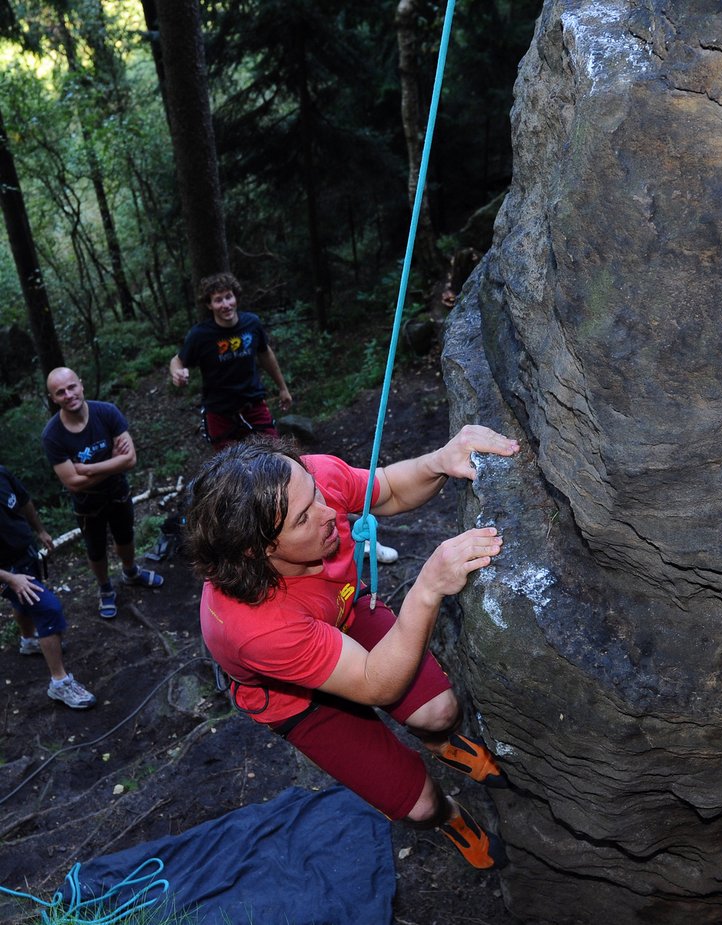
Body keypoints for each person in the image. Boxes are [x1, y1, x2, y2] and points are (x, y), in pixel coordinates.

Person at [184, 425, 520, 869]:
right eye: (304, 518)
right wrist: (427, 588)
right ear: (257, 550)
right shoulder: (254, 626)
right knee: (417, 805)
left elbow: (391, 488)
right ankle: (448, 817)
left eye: (316, 494)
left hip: (340, 611)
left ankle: (439, 741)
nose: (328, 513)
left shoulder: (305, 486)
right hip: (295, 698)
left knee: (439, 712)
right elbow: (373, 682)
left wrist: (440, 458)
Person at [42, 367, 164, 620]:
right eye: (60, 392)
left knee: (125, 536)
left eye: (72, 387)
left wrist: (89, 468)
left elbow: (130, 459)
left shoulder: (106, 412)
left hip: (118, 493)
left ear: (81, 385)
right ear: (53, 399)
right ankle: (105, 588)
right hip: (87, 504)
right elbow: (74, 483)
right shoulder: (53, 435)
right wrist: (112, 461)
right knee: (95, 549)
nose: (69, 394)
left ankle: (130, 572)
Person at [0, 464, 96, 709]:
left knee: (24, 605)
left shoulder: (2, 473)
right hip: (6, 571)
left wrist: (40, 530)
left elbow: (24, 502)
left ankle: (28, 640)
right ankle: (60, 683)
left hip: (25, 554)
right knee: (48, 609)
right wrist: (11, 579)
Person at [169, 272, 293, 451]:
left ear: (236, 297)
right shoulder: (200, 335)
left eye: (229, 297)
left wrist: (283, 388)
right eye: (218, 300)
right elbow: (177, 360)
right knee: (230, 471)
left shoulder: (252, 323)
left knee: (276, 458)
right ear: (209, 305)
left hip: (253, 406)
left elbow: (265, 354)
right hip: (219, 413)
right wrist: (178, 374)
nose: (225, 305)